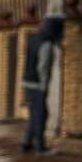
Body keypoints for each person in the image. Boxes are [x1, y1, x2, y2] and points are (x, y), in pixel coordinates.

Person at [21, 15, 64, 153]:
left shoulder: (33, 39)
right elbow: (43, 67)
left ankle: (26, 143)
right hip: (38, 84)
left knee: (34, 114)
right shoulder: (46, 44)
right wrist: (44, 87)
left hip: (27, 81)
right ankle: (40, 146)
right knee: (41, 115)